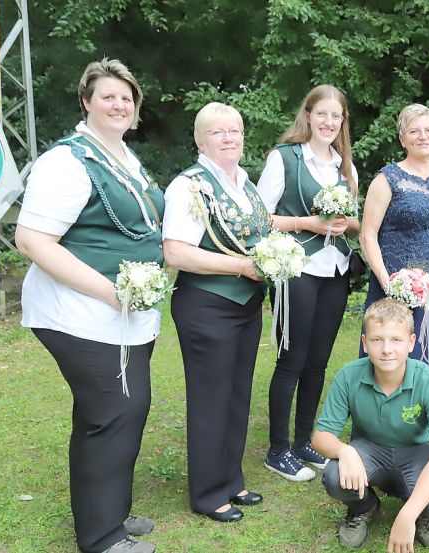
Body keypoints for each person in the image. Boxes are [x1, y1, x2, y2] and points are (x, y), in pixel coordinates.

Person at [15, 58, 160, 553]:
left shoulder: (122, 155)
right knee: (115, 412)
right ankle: (101, 538)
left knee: (116, 413)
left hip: (124, 317)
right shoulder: (67, 160)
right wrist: (112, 291)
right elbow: (33, 241)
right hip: (78, 313)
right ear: (86, 102)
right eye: (108, 96)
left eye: (127, 96)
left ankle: (112, 511)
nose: (119, 104)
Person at [163, 102, 270, 522]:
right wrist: (243, 267)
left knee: (238, 393)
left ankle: (231, 478)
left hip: (245, 304)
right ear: (200, 140)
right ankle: (208, 493)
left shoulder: (244, 181)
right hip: (206, 304)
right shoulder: (188, 186)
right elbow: (176, 251)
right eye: (218, 132)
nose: (229, 139)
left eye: (235, 131)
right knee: (211, 399)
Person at [256, 84, 360, 482]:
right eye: (322, 114)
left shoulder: (345, 166)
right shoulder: (285, 159)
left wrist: (343, 223)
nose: (329, 122)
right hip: (297, 270)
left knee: (318, 363)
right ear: (308, 115)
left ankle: (304, 442)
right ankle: (277, 449)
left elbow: (353, 222)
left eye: (336, 116)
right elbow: (259, 218)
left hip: (334, 271)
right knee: (292, 361)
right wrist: (307, 223)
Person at [313, 298, 429, 551]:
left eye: (396, 340)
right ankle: (364, 507)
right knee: (335, 476)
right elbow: (321, 436)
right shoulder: (349, 375)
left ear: (411, 343)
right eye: (377, 340)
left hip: (417, 453)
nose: (387, 349)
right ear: (365, 343)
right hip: (370, 449)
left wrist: (407, 515)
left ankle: (424, 514)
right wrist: (344, 451)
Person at [359, 103, 429, 389]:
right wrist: (388, 283)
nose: (423, 136)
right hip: (394, 287)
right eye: (414, 131)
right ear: (402, 138)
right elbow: (367, 236)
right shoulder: (386, 179)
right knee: (391, 352)